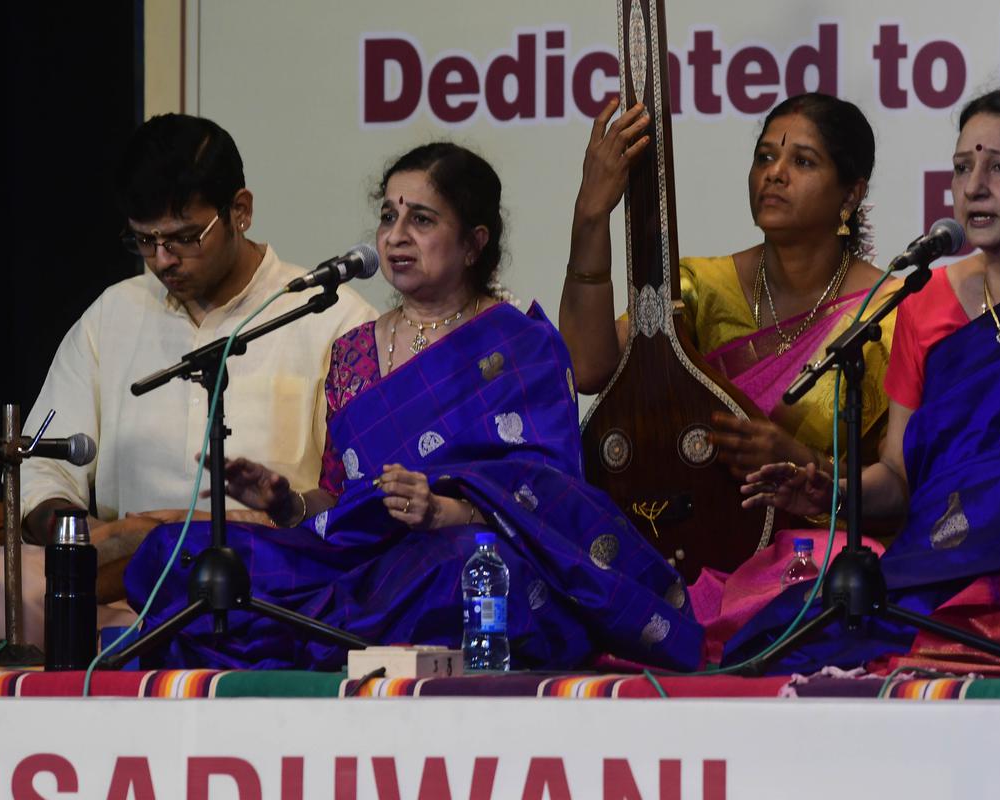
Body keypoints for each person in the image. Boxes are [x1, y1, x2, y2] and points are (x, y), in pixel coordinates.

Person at [124, 142, 703, 671]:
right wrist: (285, 502)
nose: (396, 236)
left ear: (475, 241)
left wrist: (445, 512)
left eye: (421, 220)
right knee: (176, 554)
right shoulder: (352, 350)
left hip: (450, 558)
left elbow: (547, 500)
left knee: (468, 568)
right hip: (357, 565)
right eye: (388, 217)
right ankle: (322, 637)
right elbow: (338, 503)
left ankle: (300, 639)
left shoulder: (518, 345)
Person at [735, 86, 1000, 675]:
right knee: (784, 643)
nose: (974, 188)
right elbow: (899, 477)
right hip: (950, 563)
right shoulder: (924, 300)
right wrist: (833, 491)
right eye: (963, 168)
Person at [0, 114, 375, 647]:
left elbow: (362, 496)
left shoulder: (333, 318)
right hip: (120, 595)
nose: (163, 260)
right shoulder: (113, 316)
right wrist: (89, 536)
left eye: (186, 237)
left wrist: (248, 522)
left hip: (277, 591)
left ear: (241, 210)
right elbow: (42, 468)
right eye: (145, 241)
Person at [560, 93, 899, 657]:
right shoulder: (696, 287)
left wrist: (802, 459)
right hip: (691, 548)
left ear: (852, 193)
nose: (775, 174)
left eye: (803, 162)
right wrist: (592, 214)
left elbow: (905, 490)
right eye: (765, 157)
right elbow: (588, 368)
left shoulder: (892, 310)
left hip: (815, 558)